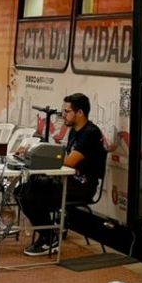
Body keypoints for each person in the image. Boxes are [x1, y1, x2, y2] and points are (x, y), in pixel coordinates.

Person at [17, 93, 106, 256]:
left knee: (31, 195)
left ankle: (50, 238)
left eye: (67, 111)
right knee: (21, 190)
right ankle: (48, 234)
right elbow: (62, 157)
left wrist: (37, 155)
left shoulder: (90, 133)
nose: (63, 115)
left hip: (82, 186)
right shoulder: (74, 131)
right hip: (67, 181)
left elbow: (70, 161)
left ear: (80, 112)